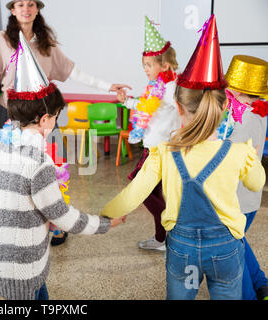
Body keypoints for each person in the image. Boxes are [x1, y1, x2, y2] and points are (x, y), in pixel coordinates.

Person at [101, 15, 265, 300]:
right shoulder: (238, 151)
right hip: (226, 248)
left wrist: (104, 217)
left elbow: (134, 193)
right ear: (224, 106)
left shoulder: (163, 152)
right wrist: (251, 158)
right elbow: (255, 184)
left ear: (178, 107)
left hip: (182, 249)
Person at [0, 0, 131, 247]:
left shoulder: (46, 43)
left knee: (55, 171)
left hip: (45, 121)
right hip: (9, 117)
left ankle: (56, 223)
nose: (26, 8)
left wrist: (108, 87)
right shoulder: (1, 40)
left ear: (37, 9)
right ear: (12, 10)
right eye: (20, 4)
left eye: (31, 4)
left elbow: (73, 72)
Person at [0, 36, 123, 300]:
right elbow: (62, 217)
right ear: (45, 119)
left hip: (2, 261)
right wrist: (106, 224)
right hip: (25, 267)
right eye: (57, 117)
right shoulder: (38, 162)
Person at [117, 16, 181, 251]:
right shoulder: (157, 87)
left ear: (164, 65)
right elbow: (147, 106)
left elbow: (183, 110)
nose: (145, 69)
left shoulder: (171, 88)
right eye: (143, 65)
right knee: (152, 189)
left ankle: (168, 225)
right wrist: (127, 102)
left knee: (138, 185)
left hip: (160, 148)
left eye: (149, 65)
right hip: (152, 145)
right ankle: (162, 238)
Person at [225, 55, 268, 300]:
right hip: (247, 198)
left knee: (232, 254)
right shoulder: (257, 112)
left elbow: (228, 153)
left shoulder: (243, 119)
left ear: (240, 92)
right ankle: (261, 284)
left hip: (236, 199)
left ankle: (247, 296)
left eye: (230, 89)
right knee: (239, 242)